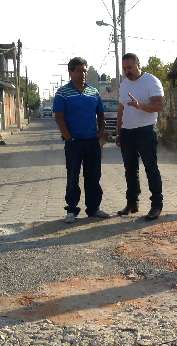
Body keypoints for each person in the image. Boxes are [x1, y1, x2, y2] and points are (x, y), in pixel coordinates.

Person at [53, 57, 111, 223]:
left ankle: (94, 209)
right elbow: (59, 117)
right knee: (73, 176)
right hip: (74, 143)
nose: (83, 74)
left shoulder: (94, 92)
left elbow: (101, 114)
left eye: (84, 70)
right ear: (70, 72)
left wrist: (101, 133)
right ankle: (71, 210)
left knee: (93, 176)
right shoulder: (63, 93)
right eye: (79, 70)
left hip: (93, 142)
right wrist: (68, 137)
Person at [116, 53, 165, 221]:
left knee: (150, 168)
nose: (127, 71)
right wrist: (119, 131)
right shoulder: (123, 84)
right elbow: (121, 108)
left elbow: (159, 105)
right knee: (130, 169)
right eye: (124, 68)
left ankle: (156, 205)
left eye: (129, 67)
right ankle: (132, 203)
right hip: (127, 132)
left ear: (138, 64)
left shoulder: (151, 81)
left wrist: (140, 106)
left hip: (145, 130)